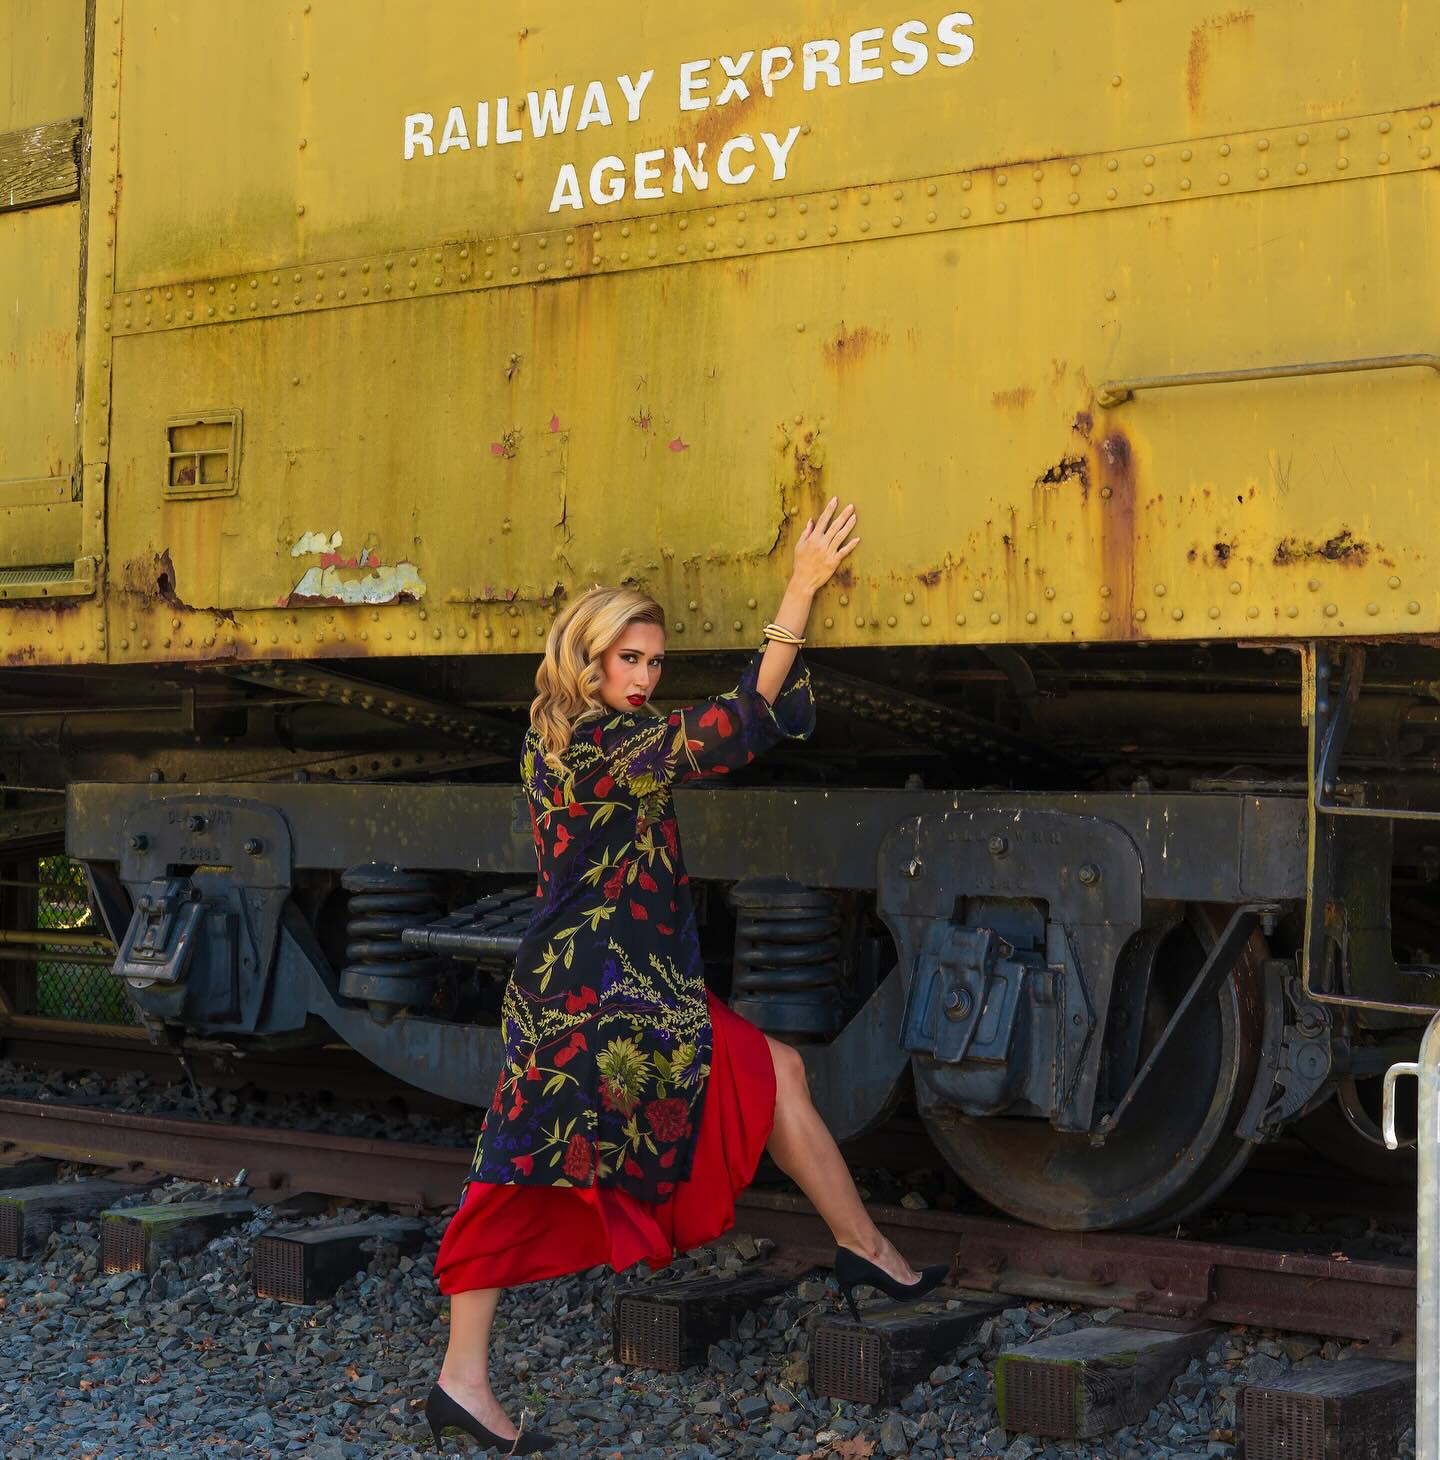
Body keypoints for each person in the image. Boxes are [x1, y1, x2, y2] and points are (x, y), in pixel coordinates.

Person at [426, 497, 946, 1453]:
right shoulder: (592, 744)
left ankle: (869, 1252)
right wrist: (800, 588)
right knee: (516, 1176)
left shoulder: (586, 739)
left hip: (638, 995)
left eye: (655, 663)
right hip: (588, 1006)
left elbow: (715, 730)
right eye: (631, 659)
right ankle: (463, 1381)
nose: (646, 676)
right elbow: (730, 727)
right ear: (587, 658)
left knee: (776, 1071)